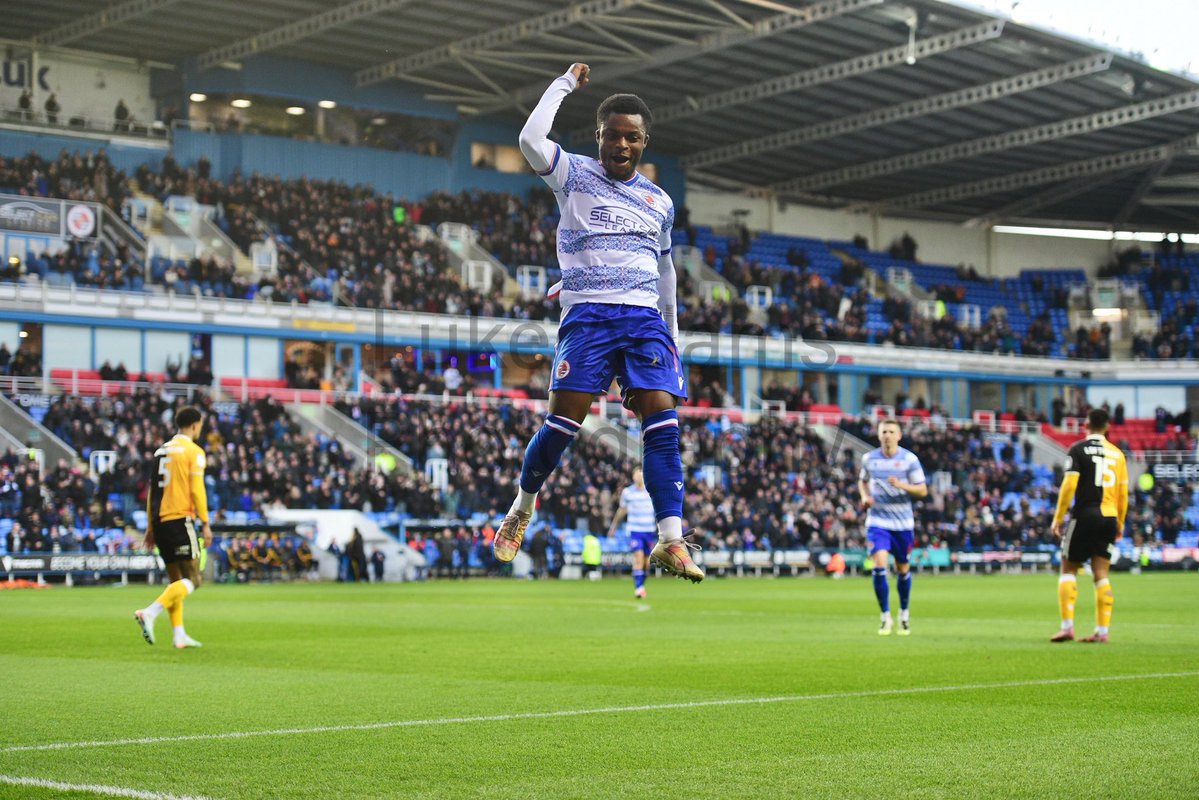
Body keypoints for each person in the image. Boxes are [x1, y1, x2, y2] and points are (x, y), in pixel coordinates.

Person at [491, 61, 702, 583]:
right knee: (562, 427)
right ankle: (521, 506)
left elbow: (666, 269)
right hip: (587, 318)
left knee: (663, 424)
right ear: (599, 136)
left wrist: (672, 335)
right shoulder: (573, 174)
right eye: (613, 136)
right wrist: (563, 84)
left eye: (632, 138)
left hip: (645, 320)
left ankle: (671, 540)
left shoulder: (660, 202)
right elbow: (529, 137)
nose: (622, 146)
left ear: (644, 141)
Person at [1049, 408, 1128, 644]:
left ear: (1086, 425)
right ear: (1107, 427)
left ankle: (1067, 627)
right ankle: (1102, 631)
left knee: (1068, 568)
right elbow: (1123, 494)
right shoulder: (1118, 454)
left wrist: (1058, 517)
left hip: (1085, 514)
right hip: (1109, 517)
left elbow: (1069, 486)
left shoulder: (1077, 449)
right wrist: (1120, 523)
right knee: (1101, 573)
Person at [133, 406, 209, 649]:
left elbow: (152, 492)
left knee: (175, 580)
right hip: (179, 519)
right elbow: (197, 490)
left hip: (159, 521)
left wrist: (149, 526)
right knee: (194, 579)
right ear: (195, 425)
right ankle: (151, 612)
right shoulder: (193, 452)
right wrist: (206, 523)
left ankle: (179, 635)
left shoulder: (160, 451)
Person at [858, 418, 928, 636]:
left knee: (902, 568)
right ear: (879, 435)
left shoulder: (909, 460)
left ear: (899, 435)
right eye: (884, 431)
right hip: (878, 521)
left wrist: (901, 485)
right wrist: (865, 497)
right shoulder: (869, 459)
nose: (887, 435)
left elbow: (922, 490)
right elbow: (863, 480)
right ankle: (885, 616)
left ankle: (904, 613)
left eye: (891, 431)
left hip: (902, 523)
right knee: (879, 566)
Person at [606, 467, 656, 598]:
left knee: (646, 562)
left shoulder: (651, 490)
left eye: (640, 474)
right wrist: (613, 527)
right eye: (636, 474)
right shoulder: (628, 492)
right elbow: (622, 510)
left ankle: (641, 586)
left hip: (649, 530)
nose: (638, 476)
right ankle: (638, 588)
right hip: (635, 530)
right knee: (638, 558)